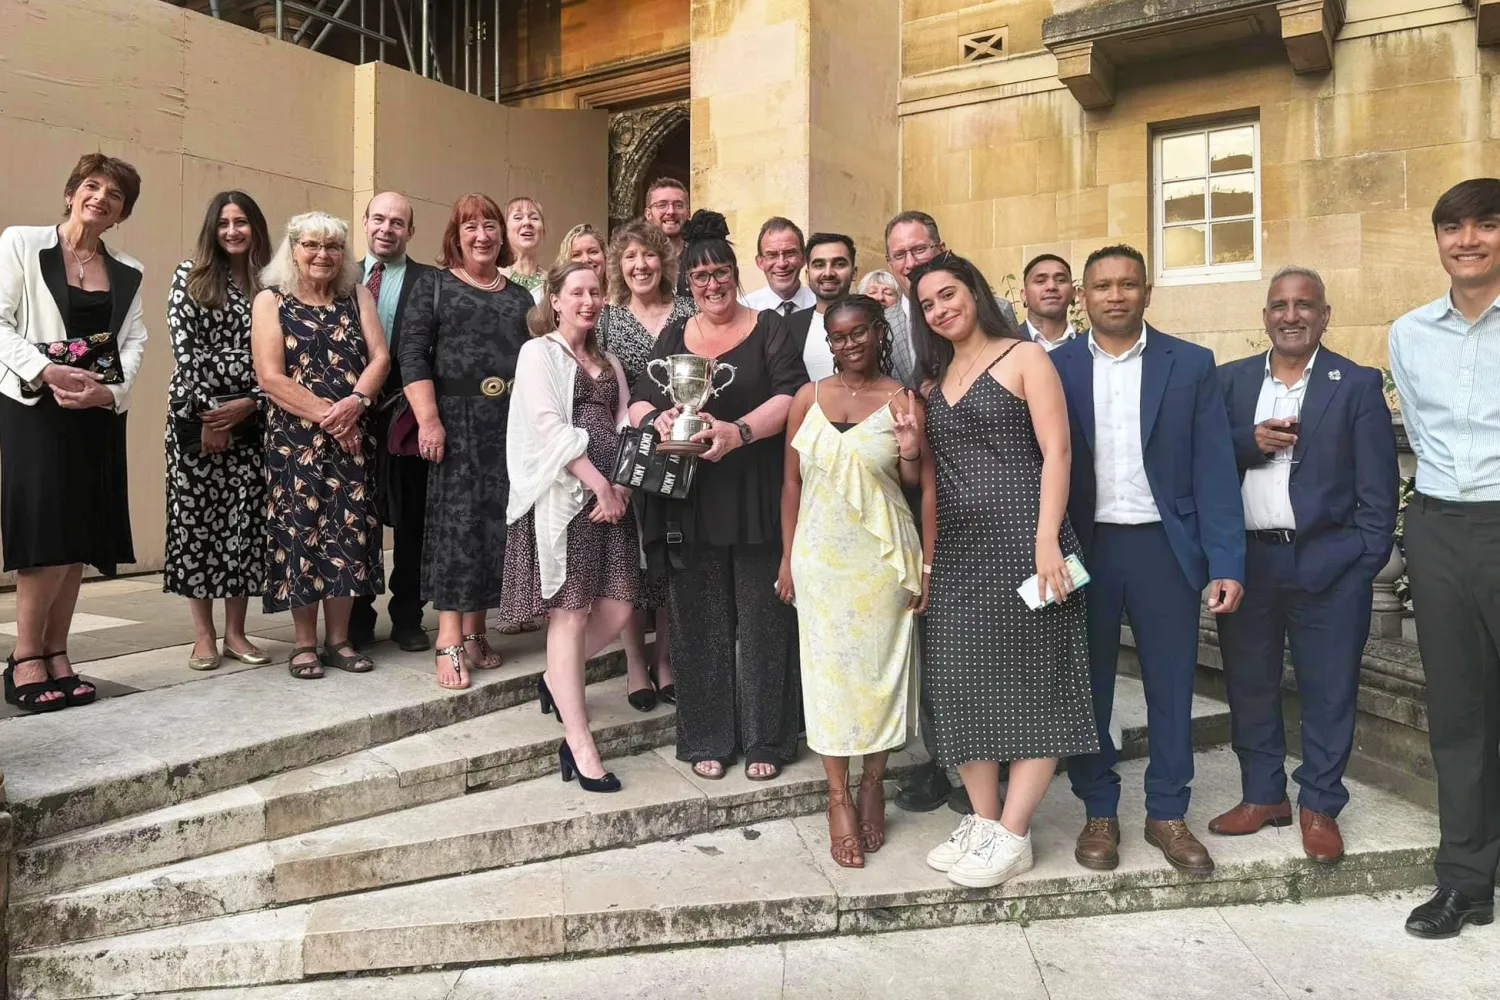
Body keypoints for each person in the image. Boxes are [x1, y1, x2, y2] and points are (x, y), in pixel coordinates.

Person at [1051, 244, 1245, 875]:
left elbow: (1214, 469)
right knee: (1089, 688)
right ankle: (1098, 811)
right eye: (1102, 285)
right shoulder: (1053, 366)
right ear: (1083, 296)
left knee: (1170, 686)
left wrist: (1227, 561)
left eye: (1128, 284)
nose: (1115, 295)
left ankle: (1166, 812)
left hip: (1165, 546)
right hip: (1088, 548)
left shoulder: (1189, 364)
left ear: (1146, 291)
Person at [905, 254, 1098, 888]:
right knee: (961, 687)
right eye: (928, 304)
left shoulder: (1024, 358)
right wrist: (929, 561)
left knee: (1037, 685)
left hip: (1027, 545)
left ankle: (1014, 833)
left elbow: (1058, 451)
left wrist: (1048, 540)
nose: (941, 309)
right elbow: (929, 479)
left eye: (949, 293)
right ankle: (985, 823)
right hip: (960, 553)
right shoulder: (933, 383)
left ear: (975, 290)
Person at [1212, 266, 1398, 864]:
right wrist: (1251, 443)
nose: (1291, 316)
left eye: (1304, 305)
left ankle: (1319, 802)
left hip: (1329, 566)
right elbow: (1207, 465)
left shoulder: (1357, 383)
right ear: (1265, 315)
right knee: (1249, 683)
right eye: (1279, 306)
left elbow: (1379, 488)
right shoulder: (1231, 383)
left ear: (1324, 314)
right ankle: (1264, 795)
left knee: (1329, 688)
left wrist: (1362, 560)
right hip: (1249, 563)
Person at [628, 210, 807, 780]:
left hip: (756, 492)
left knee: (762, 623)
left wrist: (738, 432)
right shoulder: (675, 334)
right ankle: (707, 734)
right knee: (698, 621)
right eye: (700, 276)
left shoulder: (771, 330)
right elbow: (636, 398)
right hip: (693, 500)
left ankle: (766, 740)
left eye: (721, 272)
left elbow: (793, 397)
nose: (712, 284)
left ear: (736, 273)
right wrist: (655, 420)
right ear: (689, 284)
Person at [777, 295, 933, 869]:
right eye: (837, 336)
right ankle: (837, 796)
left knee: (879, 679)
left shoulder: (903, 398)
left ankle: (874, 783)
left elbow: (919, 485)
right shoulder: (805, 398)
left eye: (858, 333)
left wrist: (913, 450)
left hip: (882, 563)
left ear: (878, 332)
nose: (848, 345)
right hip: (820, 562)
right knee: (828, 682)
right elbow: (791, 485)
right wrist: (787, 558)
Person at [1389, 177, 1500, 940]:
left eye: (1486, 226)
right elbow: (1422, 436)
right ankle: (1466, 880)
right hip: (1437, 529)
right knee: (1458, 715)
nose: (1468, 240)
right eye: (1453, 228)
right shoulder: (1408, 331)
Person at [0, 153, 145, 712]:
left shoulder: (129, 269)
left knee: (79, 532)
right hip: (35, 404)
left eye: (114, 194)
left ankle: (58, 653)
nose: (101, 197)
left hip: (95, 410)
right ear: (70, 192)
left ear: (122, 212)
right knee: (45, 531)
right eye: (92, 185)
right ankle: (24, 658)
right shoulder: (22, 243)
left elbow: (135, 340)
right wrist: (45, 370)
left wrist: (112, 393)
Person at [502, 261, 638, 792]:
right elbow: (547, 426)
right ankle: (579, 745)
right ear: (554, 300)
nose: (588, 300)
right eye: (576, 292)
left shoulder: (611, 362)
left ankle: (557, 682)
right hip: (568, 499)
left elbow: (625, 423)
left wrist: (621, 485)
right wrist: (598, 484)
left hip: (613, 498)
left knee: (622, 603)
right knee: (572, 614)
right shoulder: (539, 353)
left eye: (595, 292)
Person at [399, 193, 533, 688]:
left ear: (501, 235)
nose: (482, 235)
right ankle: (449, 639)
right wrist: (429, 420)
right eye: (470, 227)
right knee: (456, 531)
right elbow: (412, 355)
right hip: (454, 422)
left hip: (508, 423)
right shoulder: (432, 285)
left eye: (490, 225)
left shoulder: (519, 297)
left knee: (494, 527)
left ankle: (477, 631)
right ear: (455, 236)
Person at [251, 211, 390, 679]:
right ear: (292, 250)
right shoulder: (271, 301)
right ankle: (304, 643)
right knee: (302, 532)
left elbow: (381, 358)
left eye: (332, 247)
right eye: (312, 245)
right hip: (296, 441)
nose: (323, 255)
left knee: (347, 534)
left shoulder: (358, 297)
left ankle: (340, 641)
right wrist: (333, 418)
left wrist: (356, 402)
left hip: (353, 435)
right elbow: (270, 377)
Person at [164, 190, 274, 672]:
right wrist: (212, 416)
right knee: (197, 525)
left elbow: (281, 355)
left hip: (253, 416)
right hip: (196, 417)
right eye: (225, 222)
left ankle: (236, 632)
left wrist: (250, 404)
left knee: (242, 527)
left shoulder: (271, 283)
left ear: (256, 228)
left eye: (242, 222)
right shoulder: (189, 276)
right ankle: (203, 635)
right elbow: (185, 351)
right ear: (213, 228)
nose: (233, 230)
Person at [599, 219, 693, 710]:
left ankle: (667, 661)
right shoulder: (608, 320)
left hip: (684, 453)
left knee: (674, 559)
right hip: (631, 455)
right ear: (619, 265)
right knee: (633, 561)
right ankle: (636, 664)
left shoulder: (689, 311)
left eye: (649, 255)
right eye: (630, 257)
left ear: (664, 260)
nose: (640, 265)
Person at [350, 191, 434, 653]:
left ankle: (407, 616)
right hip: (350, 418)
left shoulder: (429, 281)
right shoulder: (340, 278)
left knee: (411, 521)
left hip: (406, 417)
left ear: (410, 231)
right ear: (364, 223)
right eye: (379, 219)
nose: (387, 228)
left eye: (397, 222)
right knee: (357, 521)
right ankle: (358, 616)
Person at [787, 232, 858, 381]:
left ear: (854, 272)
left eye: (839, 264)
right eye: (819, 265)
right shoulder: (787, 327)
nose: (828, 273)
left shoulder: (876, 321)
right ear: (807, 274)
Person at [744, 218, 815, 315]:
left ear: (803, 259)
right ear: (760, 262)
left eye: (790, 253)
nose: (781, 264)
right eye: (772, 255)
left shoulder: (820, 306)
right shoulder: (746, 309)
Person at [1021, 254, 1077, 352]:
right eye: (1040, 281)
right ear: (1024, 295)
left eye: (1060, 280)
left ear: (1073, 293)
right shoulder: (1004, 345)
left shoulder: (1090, 347)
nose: (1051, 286)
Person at [643, 177, 689, 295]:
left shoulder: (701, 256)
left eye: (679, 205)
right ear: (648, 214)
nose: (671, 212)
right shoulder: (637, 259)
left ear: (688, 213)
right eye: (662, 205)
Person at [501, 196, 546, 300]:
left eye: (534, 218)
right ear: (504, 231)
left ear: (543, 231)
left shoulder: (553, 283)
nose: (527, 223)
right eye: (518, 217)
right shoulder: (493, 278)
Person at [557, 222, 607, 289]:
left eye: (593, 252)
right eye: (576, 255)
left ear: (605, 255)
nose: (586, 259)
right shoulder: (559, 298)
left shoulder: (622, 296)